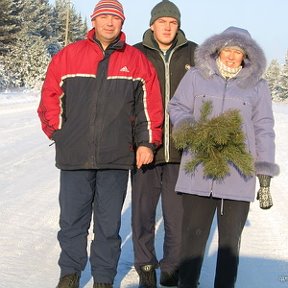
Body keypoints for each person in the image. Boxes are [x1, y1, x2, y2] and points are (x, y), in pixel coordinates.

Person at [37, 1, 164, 287]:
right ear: (94, 21)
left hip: (116, 157)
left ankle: (104, 278)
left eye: (115, 18)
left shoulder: (137, 61)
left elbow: (150, 107)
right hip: (75, 156)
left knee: (108, 225)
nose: (109, 23)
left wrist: (146, 143)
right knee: (72, 221)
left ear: (122, 23)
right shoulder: (69, 56)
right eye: (104, 17)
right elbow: (50, 96)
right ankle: (70, 273)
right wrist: (59, 132)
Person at [167, 26, 280, 288]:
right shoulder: (197, 76)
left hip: (238, 175)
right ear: (218, 50)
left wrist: (264, 175)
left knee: (230, 245)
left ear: (246, 56)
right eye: (227, 50)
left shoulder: (257, 86)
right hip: (199, 168)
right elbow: (178, 106)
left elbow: (264, 127)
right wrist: (189, 127)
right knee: (192, 239)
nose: (231, 57)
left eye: (237, 52)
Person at [131, 1, 197, 287]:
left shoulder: (194, 53)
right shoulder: (135, 53)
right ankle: (145, 264)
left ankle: (171, 267)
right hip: (146, 147)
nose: (167, 27)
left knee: (177, 216)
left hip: (181, 150)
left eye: (172, 22)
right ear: (152, 25)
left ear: (178, 25)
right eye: (162, 22)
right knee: (143, 214)